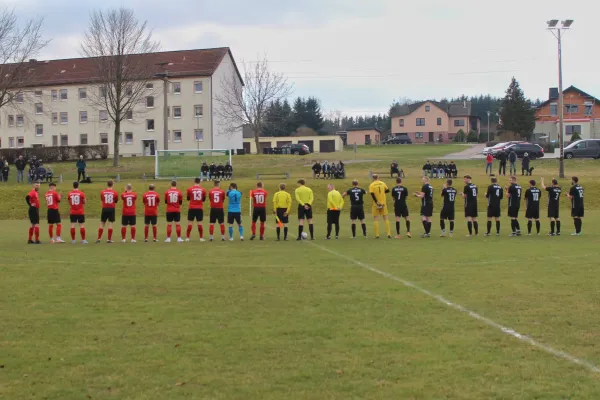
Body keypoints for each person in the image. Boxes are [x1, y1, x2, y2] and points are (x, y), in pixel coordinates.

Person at [369, 174, 391, 239]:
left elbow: (372, 195)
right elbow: (388, 190)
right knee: (386, 218)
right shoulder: (382, 183)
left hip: (376, 204)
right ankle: (388, 234)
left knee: (376, 219)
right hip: (383, 203)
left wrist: (377, 202)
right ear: (378, 177)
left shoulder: (372, 185)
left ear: (373, 178)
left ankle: (377, 235)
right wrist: (382, 192)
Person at [185, 178, 206, 242]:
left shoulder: (190, 189)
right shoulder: (203, 190)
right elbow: (203, 200)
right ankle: (201, 238)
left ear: (194, 181)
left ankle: (187, 238)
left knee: (190, 223)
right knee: (199, 223)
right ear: (199, 182)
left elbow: (188, 198)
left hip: (192, 207)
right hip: (199, 208)